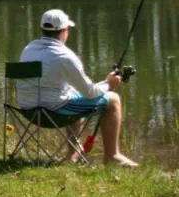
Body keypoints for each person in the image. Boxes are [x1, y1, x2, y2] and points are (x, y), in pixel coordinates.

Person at [18, 9, 138, 167]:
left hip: (28, 111)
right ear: (64, 31)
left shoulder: (29, 49)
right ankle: (112, 156)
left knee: (72, 94)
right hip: (53, 114)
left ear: (42, 30)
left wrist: (102, 85)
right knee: (113, 100)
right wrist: (109, 84)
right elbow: (90, 93)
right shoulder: (65, 56)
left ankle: (74, 153)